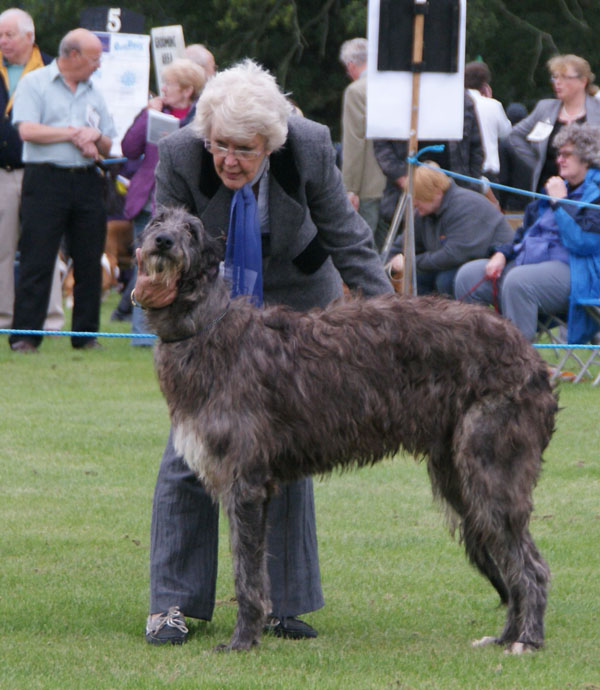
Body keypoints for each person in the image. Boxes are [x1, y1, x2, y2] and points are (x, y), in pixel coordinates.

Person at [134, 59, 392, 645]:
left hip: (295, 298)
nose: (229, 159)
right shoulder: (179, 153)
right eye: (220, 145)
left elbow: (347, 238)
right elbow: (162, 238)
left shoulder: (307, 145)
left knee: (286, 444)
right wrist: (156, 295)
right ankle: (172, 604)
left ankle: (282, 604)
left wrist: (391, 318)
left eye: (244, 150)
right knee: (191, 450)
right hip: (207, 306)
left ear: (270, 145)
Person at [8, 28, 116, 353]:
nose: (98, 65)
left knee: (88, 258)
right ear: (72, 55)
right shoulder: (35, 83)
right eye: (95, 58)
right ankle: (26, 337)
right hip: (45, 180)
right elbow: (27, 130)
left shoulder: (95, 91)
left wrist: (94, 137)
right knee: (37, 258)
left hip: (86, 179)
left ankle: (86, 336)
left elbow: (109, 142)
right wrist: (73, 134)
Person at [455, 122, 600, 344]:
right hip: (529, 262)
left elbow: (583, 242)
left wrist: (560, 202)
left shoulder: (594, 194)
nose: (559, 160)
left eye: (567, 155)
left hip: (579, 272)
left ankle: (520, 368)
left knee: (519, 282)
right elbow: (524, 233)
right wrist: (502, 254)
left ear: (588, 157)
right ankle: (477, 358)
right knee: (469, 275)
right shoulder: (554, 189)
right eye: (558, 154)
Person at [119, 58, 206, 344]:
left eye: (170, 84)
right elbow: (128, 149)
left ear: (187, 89)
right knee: (143, 265)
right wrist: (146, 115)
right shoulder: (154, 112)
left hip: (185, 207)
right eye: (164, 83)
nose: (164, 89)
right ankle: (141, 335)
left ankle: (177, 330)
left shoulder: (201, 117)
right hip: (148, 200)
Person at [0, 8, 64, 332]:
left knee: (45, 246)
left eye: (8, 35)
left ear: (30, 36)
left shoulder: (54, 68)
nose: (2, 41)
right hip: (1, 172)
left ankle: (50, 320)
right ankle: (4, 320)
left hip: (43, 171)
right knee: (1, 248)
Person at [386, 162, 514, 296]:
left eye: (419, 198)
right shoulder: (425, 211)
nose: (414, 204)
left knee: (445, 280)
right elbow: (402, 244)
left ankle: (455, 315)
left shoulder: (465, 206)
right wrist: (388, 264)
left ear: (436, 192)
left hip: (495, 261)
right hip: (460, 262)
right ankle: (426, 314)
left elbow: (454, 254)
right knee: (420, 277)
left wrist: (410, 262)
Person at [374, 91, 484, 233]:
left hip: (456, 194)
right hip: (405, 196)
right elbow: (381, 146)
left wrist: (471, 187)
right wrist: (405, 181)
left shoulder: (462, 99)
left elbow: (476, 149)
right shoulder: (394, 95)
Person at [509, 54, 600, 194]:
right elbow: (515, 135)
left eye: (564, 77)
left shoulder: (597, 110)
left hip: (590, 193)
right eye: (555, 77)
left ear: (583, 81)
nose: (557, 82)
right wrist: (537, 162)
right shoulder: (544, 108)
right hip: (546, 190)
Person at [338, 37, 386, 247]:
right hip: (396, 184)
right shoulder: (392, 86)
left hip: (368, 186)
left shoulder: (356, 91)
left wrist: (350, 188)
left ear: (350, 65)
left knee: (365, 250)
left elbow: (354, 142)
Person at [464, 61, 511, 186]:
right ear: (484, 84)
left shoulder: (457, 103)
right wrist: (490, 100)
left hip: (464, 171)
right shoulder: (493, 105)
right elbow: (506, 133)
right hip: (488, 172)